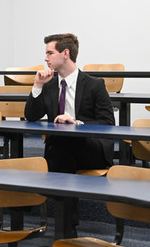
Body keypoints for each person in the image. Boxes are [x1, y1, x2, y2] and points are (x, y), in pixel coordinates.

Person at [24, 33, 115, 174]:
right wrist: (37, 86)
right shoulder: (49, 85)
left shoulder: (95, 85)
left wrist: (76, 123)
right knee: (60, 146)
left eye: (50, 53)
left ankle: (55, 193)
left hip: (88, 145)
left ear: (65, 53)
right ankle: (62, 193)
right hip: (59, 147)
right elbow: (31, 116)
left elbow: (107, 123)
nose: (45, 58)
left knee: (63, 148)